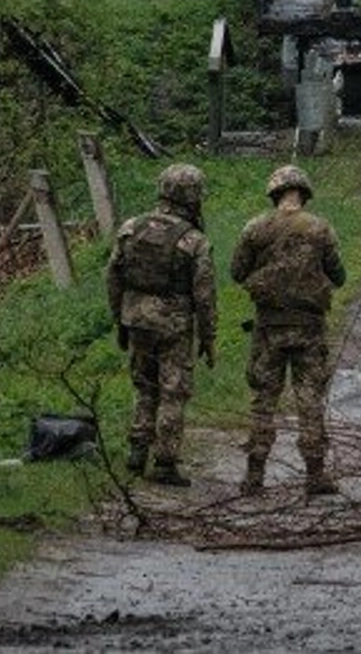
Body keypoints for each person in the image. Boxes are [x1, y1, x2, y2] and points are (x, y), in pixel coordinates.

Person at [228, 162, 348, 497]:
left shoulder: (255, 229)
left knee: (263, 401)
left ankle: (254, 476)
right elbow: (338, 276)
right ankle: (316, 474)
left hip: (269, 329)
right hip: (309, 329)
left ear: (275, 193)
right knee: (309, 400)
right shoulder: (320, 229)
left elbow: (237, 272)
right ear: (304, 194)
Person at [107, 162, 216, 487]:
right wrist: (208, 338)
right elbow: (205, 295)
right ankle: (165, 462)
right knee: (173, 392)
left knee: (144, 386)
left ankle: (137, 452)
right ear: (193, 196)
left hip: (136, 319)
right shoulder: (194, 241)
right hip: (174, 325)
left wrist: (120, 320)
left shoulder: (130, 228)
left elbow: (113, 276)